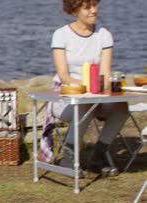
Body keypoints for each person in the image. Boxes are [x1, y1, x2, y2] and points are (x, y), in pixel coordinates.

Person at [41, 0, 128, 172]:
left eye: (95, 5)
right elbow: (64, 76)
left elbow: (104, 74)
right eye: (88, 7)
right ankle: (69, 156)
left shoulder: (104, 35)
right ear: (74, 11)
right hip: (65, 98)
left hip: (96, 95)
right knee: (86, 104)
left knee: (122, 107)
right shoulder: (61, 35)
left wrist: (101, 87)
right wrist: (87, 88)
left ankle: (99, 155)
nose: (94, 11)